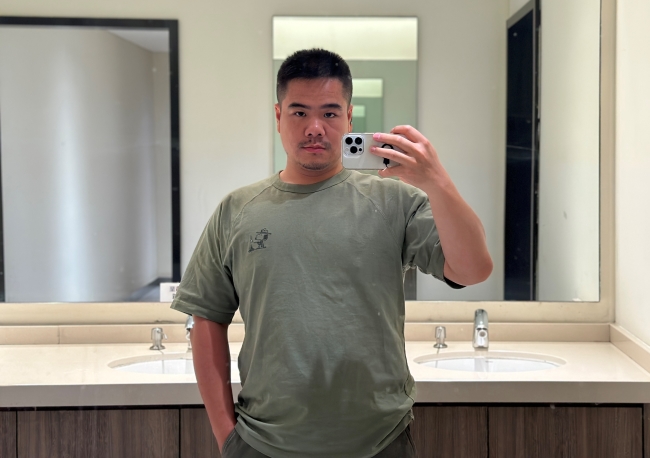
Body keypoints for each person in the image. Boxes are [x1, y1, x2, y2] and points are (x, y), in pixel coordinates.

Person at [171, 48, 493, 458]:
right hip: (263, 443)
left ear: (349, 118)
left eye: (329, 113)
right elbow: (206, 318)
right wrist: (227, 438)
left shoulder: (394, 201)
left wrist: (437, 182)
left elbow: (472, 269)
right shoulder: (238, 210)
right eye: (299, 112)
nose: (315, 128)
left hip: (379, 442)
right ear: (278, 116)